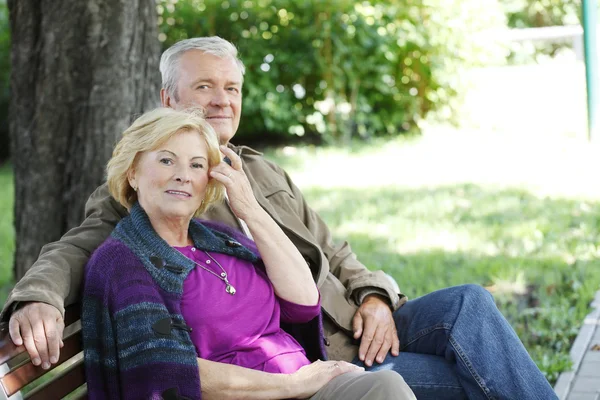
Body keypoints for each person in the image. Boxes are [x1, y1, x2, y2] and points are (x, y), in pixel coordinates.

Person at [2, 36, 558, 400]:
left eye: (231, 88)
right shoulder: (172, 182)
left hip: (358, 323)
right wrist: (39, 296)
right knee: (474, 379)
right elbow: (77, 247)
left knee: (469, 304)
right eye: (204, 87)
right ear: (168, 98)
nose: (222, 100)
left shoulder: (264, 171)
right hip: (318, 354)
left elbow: (335, 250)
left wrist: (373, 297)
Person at [81, 106, 415, 399]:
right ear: (133, 173)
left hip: (305, 385)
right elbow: (167, 371)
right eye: (167, 160)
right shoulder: (123, 263)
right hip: (277, 391)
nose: (183, 175)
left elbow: (303, 303)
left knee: (385, 386)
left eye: (197, 165)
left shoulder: (220, 239)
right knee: (385, 388)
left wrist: (250, 210)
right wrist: (297, 385)